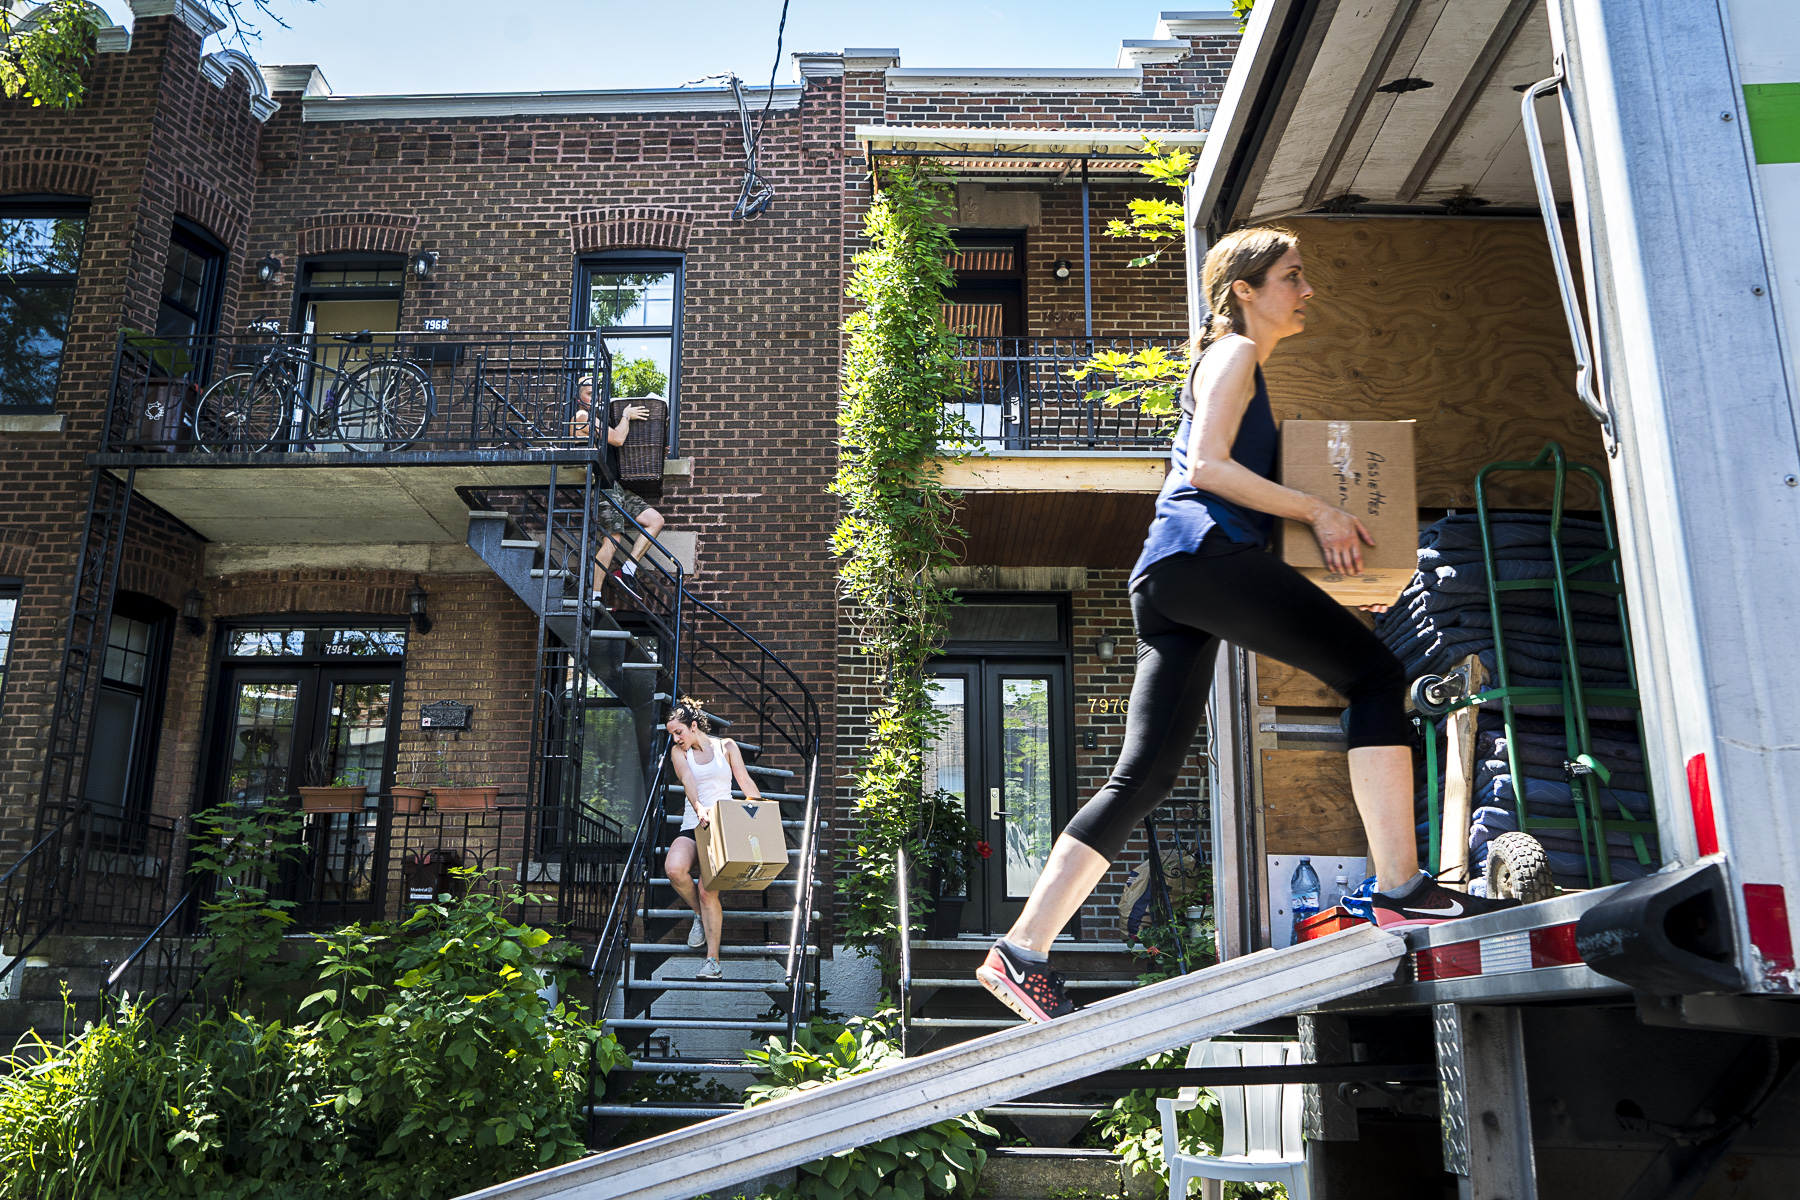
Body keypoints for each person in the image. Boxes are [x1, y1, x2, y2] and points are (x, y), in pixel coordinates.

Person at [976, 226, 1519, 1025]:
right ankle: (1403, 889)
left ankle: (1021, 951)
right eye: (1292, 276)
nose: (1307, 291)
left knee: (1145, 776)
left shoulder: (1236, 363)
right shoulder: (1232, 354)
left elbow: (1233, 505)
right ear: (1245, 289)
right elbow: (1208, 468)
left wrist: (1341, 575)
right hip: (1201, 557)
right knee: (1375, 677)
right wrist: (1319, 509)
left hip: (1174, 574)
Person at [664, 697, 765, 981]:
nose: (676, 738)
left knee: (708, 890)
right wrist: (699, 808)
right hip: (693, 823)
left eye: (679, 732)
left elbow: (744, 781)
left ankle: (713, 961)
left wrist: (760, 812)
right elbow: (688, 781)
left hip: (722, 827)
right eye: (672, 734)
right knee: (674, 869)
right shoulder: (679, 752)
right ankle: (700, 914)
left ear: (693, 726)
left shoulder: (727, 747)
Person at [571, 376, 666, 583]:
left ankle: (627, 570)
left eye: (596, 394)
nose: (595, 398)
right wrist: (626, 415)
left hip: (615, 487)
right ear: (578, 399)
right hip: (600, 486)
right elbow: (618, 438)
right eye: (589, 394)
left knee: (655, 520)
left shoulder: (599, 420)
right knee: (612, 539)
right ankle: (594, 594)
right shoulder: (581, 416)